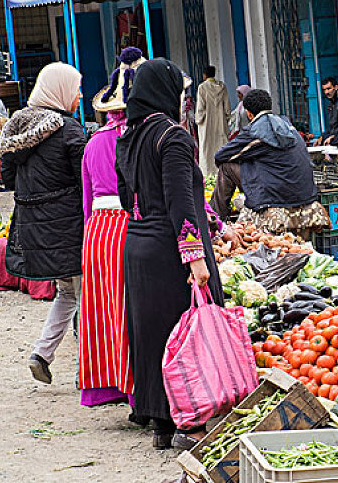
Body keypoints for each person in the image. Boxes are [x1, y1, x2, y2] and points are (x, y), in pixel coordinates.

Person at [116, 58, 225, 449]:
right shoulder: (174, 137)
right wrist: (195, 257)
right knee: (188, 335)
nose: (183, 100)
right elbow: (180, 201)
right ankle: (190, 422)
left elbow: (128, 198)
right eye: (180, 92)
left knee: (153, 336)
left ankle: (162, 423)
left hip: (138, 246)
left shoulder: (128, 136)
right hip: (170, 248)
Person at [0, 62, 86, 384]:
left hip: (34, 229)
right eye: (76, 89)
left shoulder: (16, 130)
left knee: (67, 294)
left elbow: (7, 177)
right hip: (68, 229)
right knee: (85, 296)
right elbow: (83, 181)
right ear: (60, 91)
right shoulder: (69, 130)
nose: (80, 96)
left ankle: (41, 355)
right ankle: (86, 371)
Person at [78, 47, 145, 408]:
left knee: (103, 308)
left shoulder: (93, 143)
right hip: (130, 224)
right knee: (131, 307)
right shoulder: (134, 139)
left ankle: (106, 386)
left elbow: (87, 200)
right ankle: (136, 390)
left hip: (99, 232)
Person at [215, 89, 329, 238]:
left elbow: (221, 156)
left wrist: (247, 158)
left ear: (249, 114)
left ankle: (216, 221)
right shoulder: (288, 126)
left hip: (275, 195)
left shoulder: (255, 131)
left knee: (226, 167)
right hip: (304, 193)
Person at [195, 65, 231, 177]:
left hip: (206, 124)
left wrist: (198, 120)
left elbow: (200, 108)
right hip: (220, 123)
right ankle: (224, 173)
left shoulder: (202, 87)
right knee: (221, 145)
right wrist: (226, 119)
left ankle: (208, 175)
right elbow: (227, 109)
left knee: (207, 149)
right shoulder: (222, 87)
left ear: (204, 75)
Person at [314, 77, 338, 145]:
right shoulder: (331, 104)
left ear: (335, 87)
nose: (326, 92)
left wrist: (331, 137)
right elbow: (331, 126)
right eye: (324, 90)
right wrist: (322, 137)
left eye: (329, 89)